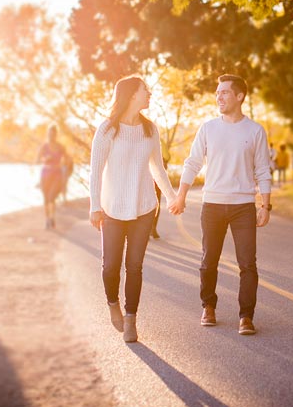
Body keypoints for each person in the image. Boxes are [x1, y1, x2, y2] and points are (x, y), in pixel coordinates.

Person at [168, 74, 272, 336]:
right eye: (217, 93)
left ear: (239, 96)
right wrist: (180, 195)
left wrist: (265, 205)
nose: (219, 97)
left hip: (243, 206)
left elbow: (262, 170)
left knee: (247, 264)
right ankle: (208, 307)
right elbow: (192, 163)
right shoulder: (208, 129)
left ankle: (246, 317)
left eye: (224, 92)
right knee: (208, 261)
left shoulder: (255, 130)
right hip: (212, 205)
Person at [89, 75, 176, 343]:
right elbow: (95, 172)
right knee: (110, 267)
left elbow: (157, 168)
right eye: (144, 90)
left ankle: (131, 319)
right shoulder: (107, 130)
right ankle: (112, 302)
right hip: (112, 209)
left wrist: (172, 198)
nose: (149, 94)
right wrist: (95, 206)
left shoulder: (150, 130)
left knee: (135, 266)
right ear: (131, 95)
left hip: (143, 209)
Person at [36, 124, 68, 229]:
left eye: (53, 134)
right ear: (47, 134)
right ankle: (47, 220)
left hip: (56, 175)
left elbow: (67, 160)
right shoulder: (44, 147)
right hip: (45, 175)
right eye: (49, 134)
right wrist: (44, 159)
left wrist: (62, 166)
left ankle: (52, 217)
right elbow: (37, 160)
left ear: (56, 135)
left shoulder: (60, 147)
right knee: (46, 199)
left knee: (51, 197)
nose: (51, 136)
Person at [150, 146, 170, 239]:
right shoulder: (161, 141)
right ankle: (153, 227)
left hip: (146, 177)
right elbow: (168, 157)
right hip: (157, 178)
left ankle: (146, 229)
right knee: (156, 202)